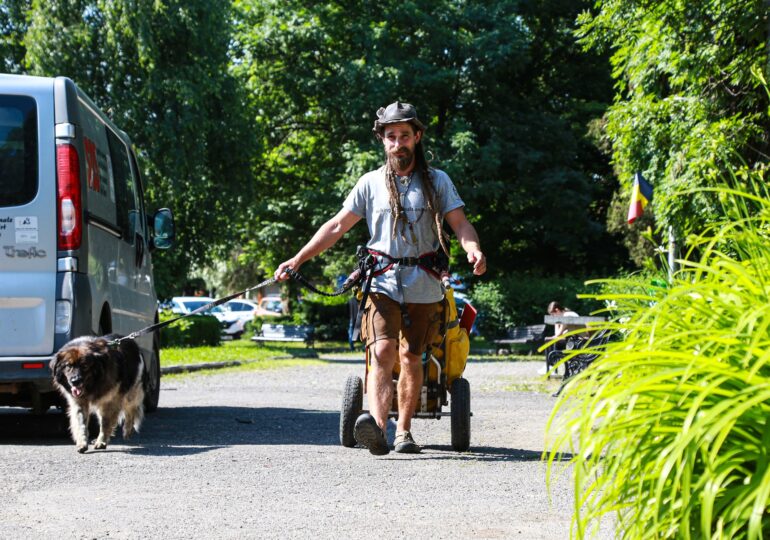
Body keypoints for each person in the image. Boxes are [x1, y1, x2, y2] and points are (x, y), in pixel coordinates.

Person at [274, 101, 486, 455]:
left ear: (417, 137)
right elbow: (338, 226)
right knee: (382, 351)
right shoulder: (370, 183)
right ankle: (376, 427)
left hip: (424, 281)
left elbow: (460, 223)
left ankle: (404, 433)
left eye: (405, 135)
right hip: (381, 281)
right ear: (382, 141)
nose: (398, 143)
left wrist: (472, 248)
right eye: (391, 137)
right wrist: (298, 259)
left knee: (411, 356)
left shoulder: (438, 181)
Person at [541, 301, 584, 375]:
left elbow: (558, 334)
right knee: (554, 342)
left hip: (577, 341)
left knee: (553, 343)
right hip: (576, 340)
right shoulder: (567, 314)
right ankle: (551, 366)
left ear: (557, 310)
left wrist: (556, 323)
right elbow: (558, 334)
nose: (553, 317)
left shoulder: (567, 316)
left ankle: (551, 366)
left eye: (553, 315)